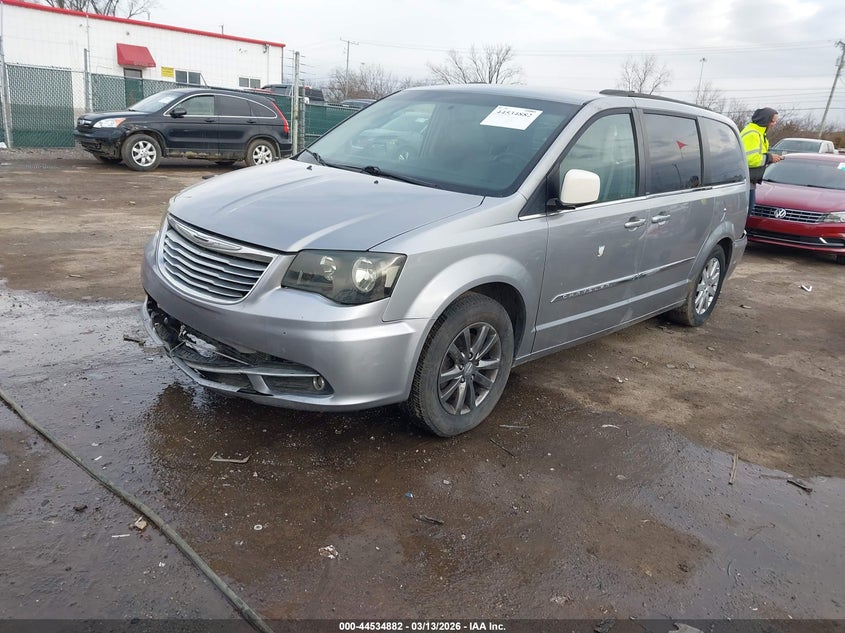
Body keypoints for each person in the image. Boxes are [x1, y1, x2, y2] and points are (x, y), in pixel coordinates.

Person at [741, 107, 782, 214]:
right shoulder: (752, 134)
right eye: (772, 121)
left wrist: (769, 158)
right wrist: (769, 158)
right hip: (745, 182)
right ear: (765, 120)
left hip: (750, 183)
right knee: (744, 215)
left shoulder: (758, 134)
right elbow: (748, 159)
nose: (774, 124)